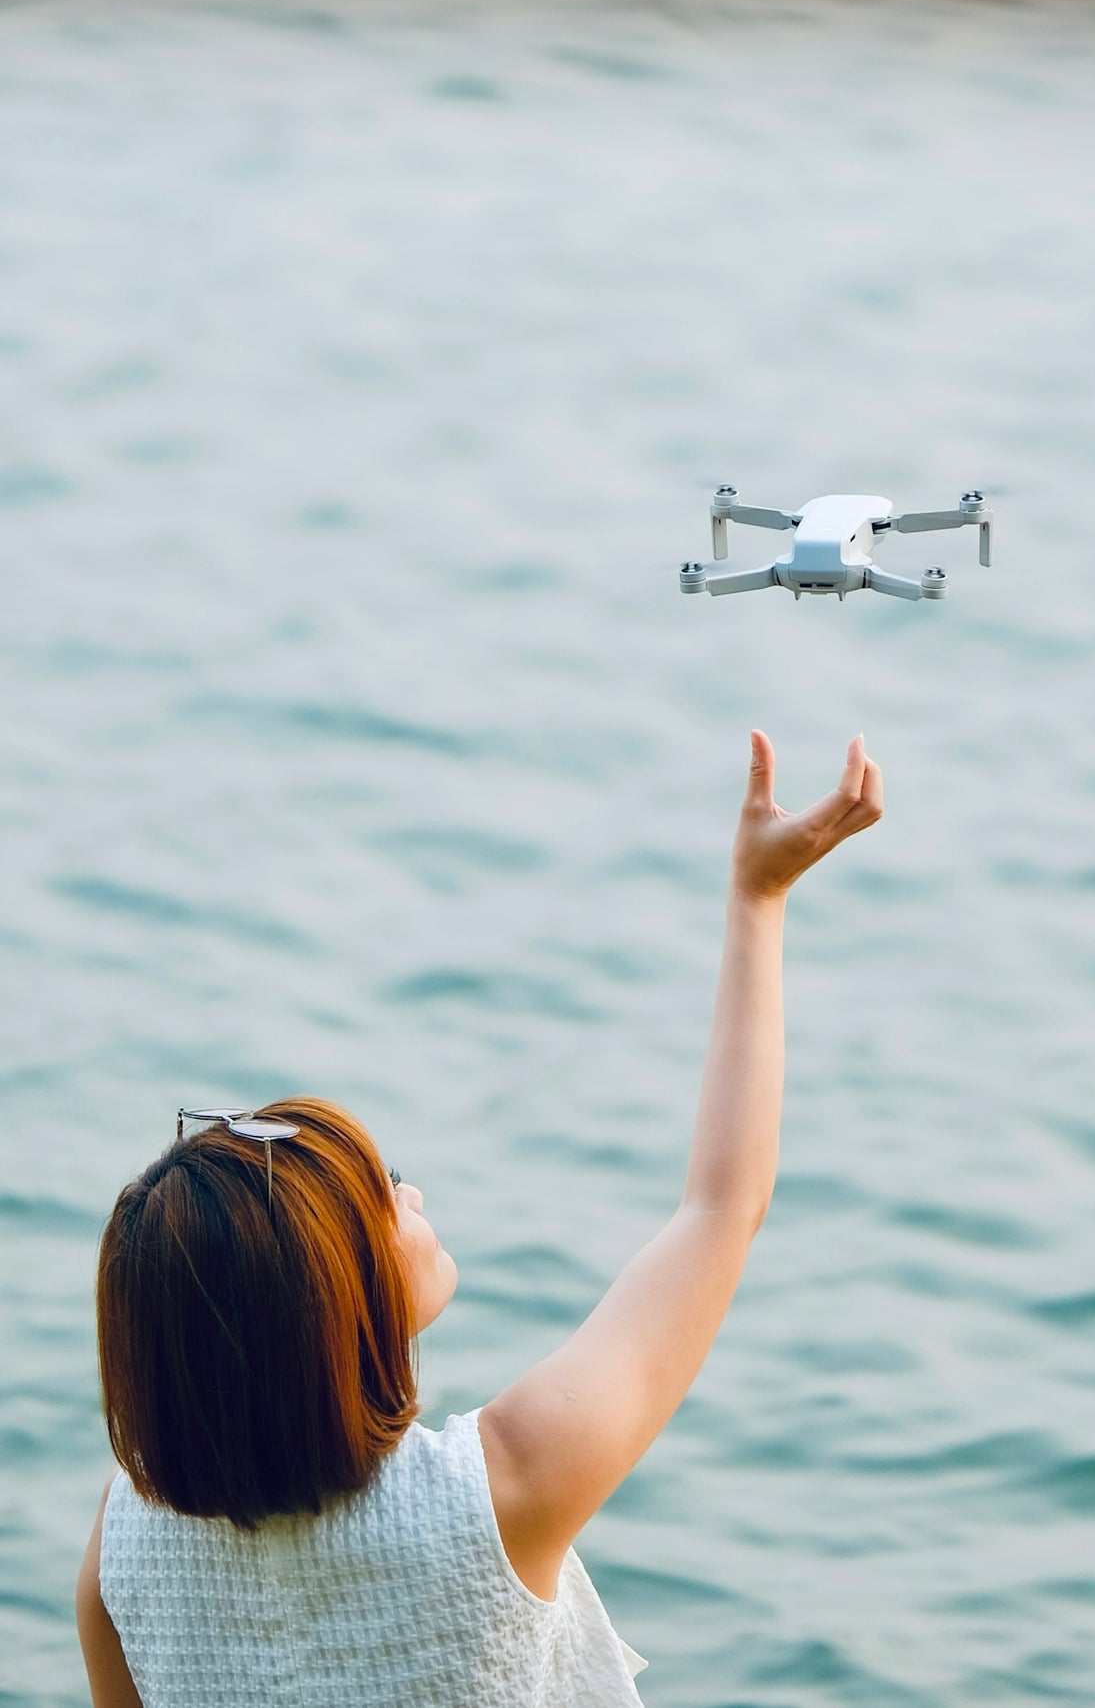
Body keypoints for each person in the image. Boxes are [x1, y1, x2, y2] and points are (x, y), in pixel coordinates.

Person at [76, 729, 882, 1707]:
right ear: (341, 1300)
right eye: (385, 1194)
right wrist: (757, 899)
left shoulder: (120, 1549)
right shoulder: (498, 1491)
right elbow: (720, 1208)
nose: (410, 1197)